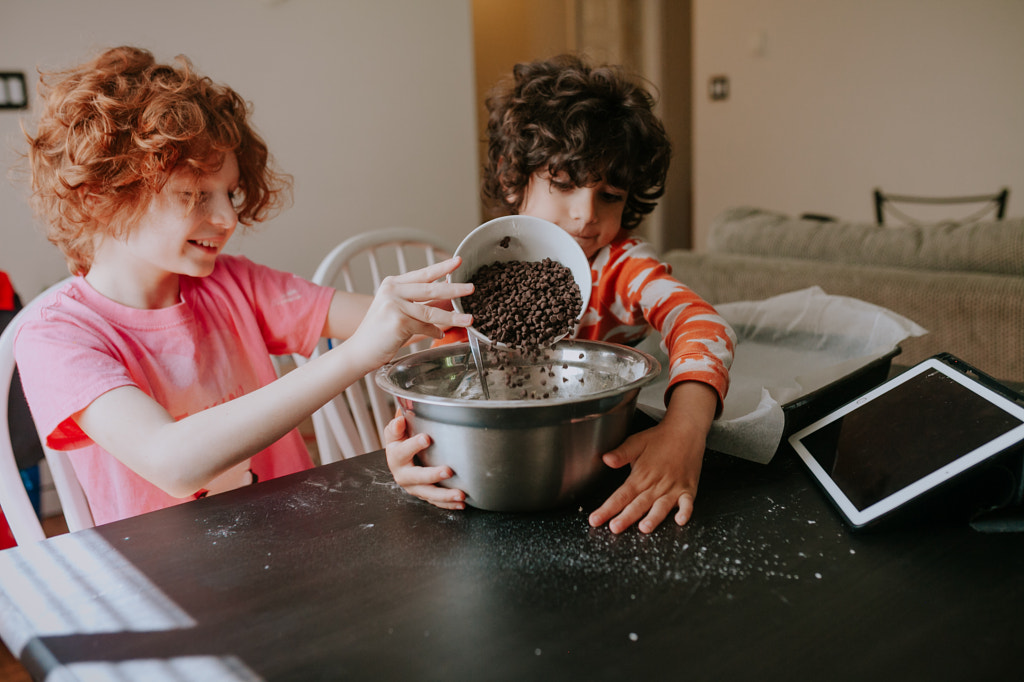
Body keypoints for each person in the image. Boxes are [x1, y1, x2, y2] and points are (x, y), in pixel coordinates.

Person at [14, 46, 473, 525]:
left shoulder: (235, 284)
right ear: (101, 196)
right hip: (167, 588)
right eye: (194, 195)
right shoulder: (56, 338)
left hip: (302, 549)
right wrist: (356, 354)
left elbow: (399, 320)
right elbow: (173, 462)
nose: (228, 218)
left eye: (229, 193)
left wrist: (456, 305)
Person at [386, 54, 736, 534]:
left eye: (610, 195)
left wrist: (685, 431)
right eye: (564, 185)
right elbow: (446, 380)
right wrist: (408, 452)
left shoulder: (624, 266)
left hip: (603, 460)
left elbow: (703, 326)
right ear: (513, 176)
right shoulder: (479, 280)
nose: (586, 215)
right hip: (497, 476)